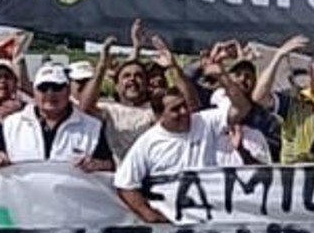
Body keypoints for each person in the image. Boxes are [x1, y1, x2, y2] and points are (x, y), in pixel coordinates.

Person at [115, 86, 268, 223]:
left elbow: (241, 109)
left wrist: (221, 75)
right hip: (173, 226)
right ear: (159, 115)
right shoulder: (147, 143)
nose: (184, 112)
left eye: (185, 106)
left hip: (213, 220)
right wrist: (148, 214)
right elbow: (125, 184)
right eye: (175, 109)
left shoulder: (204, 121)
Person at [0, 62, 112, 171]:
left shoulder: (92, 126)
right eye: (43, 88)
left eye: (57, 87)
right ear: (34, 92)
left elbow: (109, 165)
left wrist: (97, 164)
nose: (50, 93)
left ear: (68, 91)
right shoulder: (11, 124)